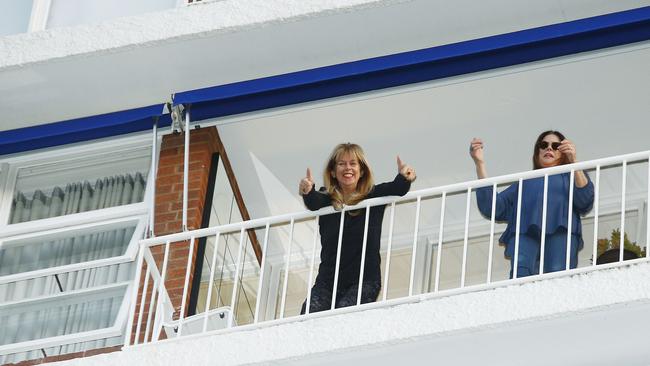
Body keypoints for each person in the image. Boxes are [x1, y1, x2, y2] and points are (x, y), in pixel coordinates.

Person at [298, 143, 416, 313]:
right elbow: (314, 201)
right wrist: (308, 191)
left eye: (353, 163)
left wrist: (405, 176)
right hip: (328, 282)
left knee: (343, 315)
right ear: (332, 171)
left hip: (364, 281)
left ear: (362, 171)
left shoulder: (373, 197)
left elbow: (397, 188)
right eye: (341, 163)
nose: (348, 168)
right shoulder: (327, 199)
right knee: (306, 318)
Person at [469, 131, 594, 278]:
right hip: (524, 232)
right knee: (520, 274)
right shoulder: (526, 181)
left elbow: (585, 201)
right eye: (543, 145)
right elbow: (493, 207)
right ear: (537, 152)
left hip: (562, 230)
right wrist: (480, 163)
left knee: (558, 273)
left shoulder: (570, 175)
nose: (549, 148)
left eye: (556, 146)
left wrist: (573, 162)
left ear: (563, 153)